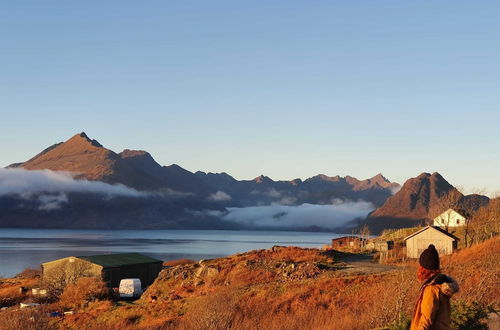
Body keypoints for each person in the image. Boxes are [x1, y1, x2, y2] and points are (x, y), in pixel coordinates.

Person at [410, 244, 459, 330]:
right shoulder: (440, 285)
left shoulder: (431, 290)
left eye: (420, 266)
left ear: (424, 270)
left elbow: (426, 320)